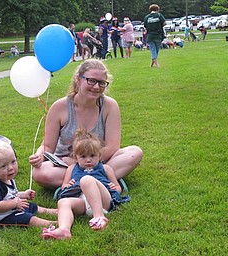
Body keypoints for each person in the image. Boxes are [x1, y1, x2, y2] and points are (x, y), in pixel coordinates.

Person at [29, 59, 143, 189]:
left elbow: (112, 147)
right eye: (91, 80)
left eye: (101, 83)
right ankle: (100, 180)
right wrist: (39, 155)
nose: (96, 87)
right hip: (65, 166)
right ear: (78, 79)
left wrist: (86, 161)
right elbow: (47, 146)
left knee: (135, 152)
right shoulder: (59, 107)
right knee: (40, 173)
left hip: (98, 161)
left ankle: (79, 183)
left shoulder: (110, 106)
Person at [41, 128, 130, 240]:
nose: (88, 160)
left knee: (86, 180)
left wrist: (115, 188)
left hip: (103, 201)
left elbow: (118, 187)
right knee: (63, 202)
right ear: (75, 157)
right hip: (82, 202)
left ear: (99, 155)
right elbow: (63, 186)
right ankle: (64, 229)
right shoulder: (72, 168)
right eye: (83, 156)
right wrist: (68, 185)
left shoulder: (106, 168)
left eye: (92, 156)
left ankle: (99, 217)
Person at [0, 140, 57, 227]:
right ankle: (50, 224)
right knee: (26, 218)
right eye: (3, 166)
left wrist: (24, 194)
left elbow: (10, 195)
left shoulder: (7, 177)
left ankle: (53, 212)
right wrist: (15, 203)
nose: (10, 168)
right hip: (1, 217)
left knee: (29, 206)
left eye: (13, 162)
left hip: (12, 209)